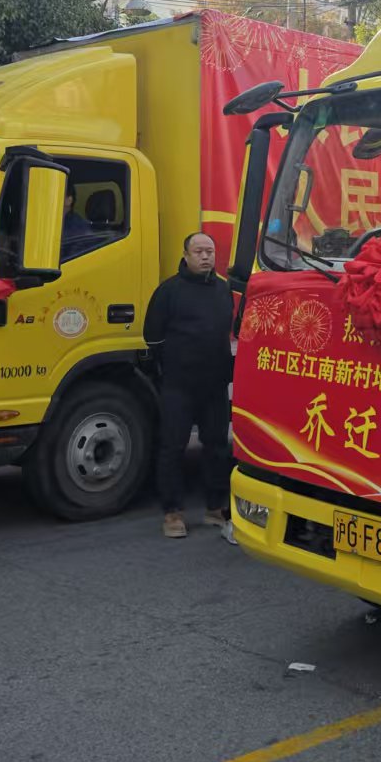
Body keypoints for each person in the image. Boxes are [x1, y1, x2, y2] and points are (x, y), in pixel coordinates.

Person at [144, 231, 235, 540]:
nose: (206, 256)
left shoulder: (223, 290)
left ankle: (215, 508)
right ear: (185, 256)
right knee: (172, 447)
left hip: (214, 385)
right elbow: (152, 336)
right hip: (178, 385)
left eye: (210, 251)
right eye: (199, 251)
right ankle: (173, 513)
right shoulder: (169, 291)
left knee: (217, 447)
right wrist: (171, 367)